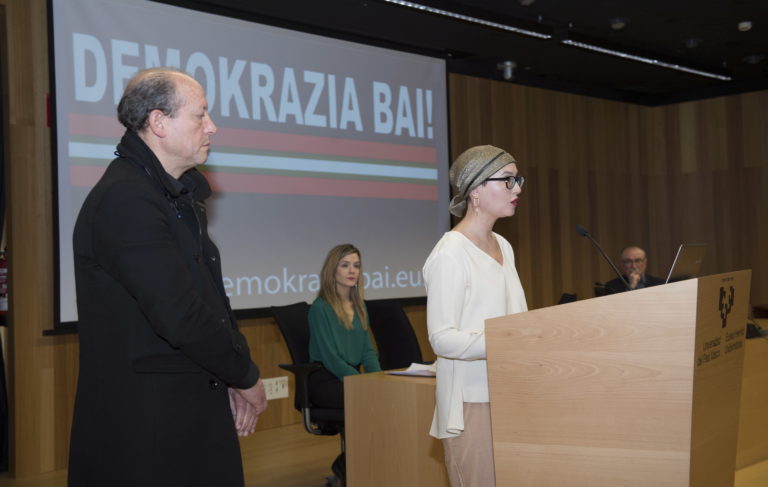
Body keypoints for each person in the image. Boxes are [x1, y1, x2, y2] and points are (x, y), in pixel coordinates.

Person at [68, 67, 267, 487]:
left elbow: (212, 299)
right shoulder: (126, 200)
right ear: (159, 122)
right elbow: (180, 313)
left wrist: (232, 369)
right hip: (149, 427)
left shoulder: (175, 195)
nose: (212, 126)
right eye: (201, 115)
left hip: (186, 412)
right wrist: (245, 375)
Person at [423, 145, 528, 487]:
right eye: (508, 180)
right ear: (476, 190)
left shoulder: (504, 244)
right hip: (471, 398)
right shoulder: (450, 254)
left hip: (511, 389)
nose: (518, 189)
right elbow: (442, 337)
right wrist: (507, 343)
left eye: (518, 180)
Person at [308, 244, 381, 410]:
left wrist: (378, 378)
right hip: (328, 378)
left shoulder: (359, 307)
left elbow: (367, 351)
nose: (352, 271)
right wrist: (361, 382)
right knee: (368, 400)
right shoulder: (320, 308)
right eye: (345, 265)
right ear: (332, 270)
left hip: (352, 376)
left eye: (356, 265)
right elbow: (330, 358)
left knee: (387, 393)